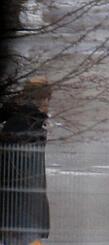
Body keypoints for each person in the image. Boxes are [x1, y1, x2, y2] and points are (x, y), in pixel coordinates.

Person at [0, 77, 52, 245]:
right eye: (47, 99)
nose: (48, 104)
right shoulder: (24, 124)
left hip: (21, 207)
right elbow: (20, 167)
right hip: (21, 208)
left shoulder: (26, 122)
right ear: (41, 99)